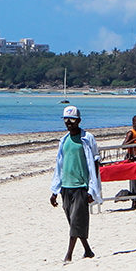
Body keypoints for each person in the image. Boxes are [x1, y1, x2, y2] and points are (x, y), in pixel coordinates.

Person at [50, 105, 100, 263]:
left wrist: (92, 190)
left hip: (81, 187)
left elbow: (95, 164)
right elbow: (59, 166)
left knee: (76, 220)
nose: (69, 123)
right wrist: (54, 190)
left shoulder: (87, 138)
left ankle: (69, 254)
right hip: (66, 187)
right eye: (66, 120)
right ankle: (88, 250)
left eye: (72, 120)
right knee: (73, 221)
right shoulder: (63, 140)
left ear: (78, 120)